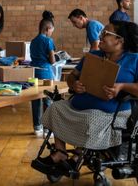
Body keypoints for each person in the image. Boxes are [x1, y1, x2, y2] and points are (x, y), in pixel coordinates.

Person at [33, 21, 138, 172]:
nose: (100, 36)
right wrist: (74, 84)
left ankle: (78, 155)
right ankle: (60, 152)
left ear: (119, 40)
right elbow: (71, 77)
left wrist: (121, 86)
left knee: (91, 119)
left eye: (106, 34)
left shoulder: (134, 60)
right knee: (55, 108)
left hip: (112, 111)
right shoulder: (93, 56)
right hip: (80, 104)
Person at [30, 11, 56, 137]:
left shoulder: (33, 41)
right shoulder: (48, 41)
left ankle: (37, 127)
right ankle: (47, 129)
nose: (51, 33)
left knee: (35, 99)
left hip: (33, 72)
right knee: (48, 100)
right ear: (47, 29)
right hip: (45, 72)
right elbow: (52, 60)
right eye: (52, 31)